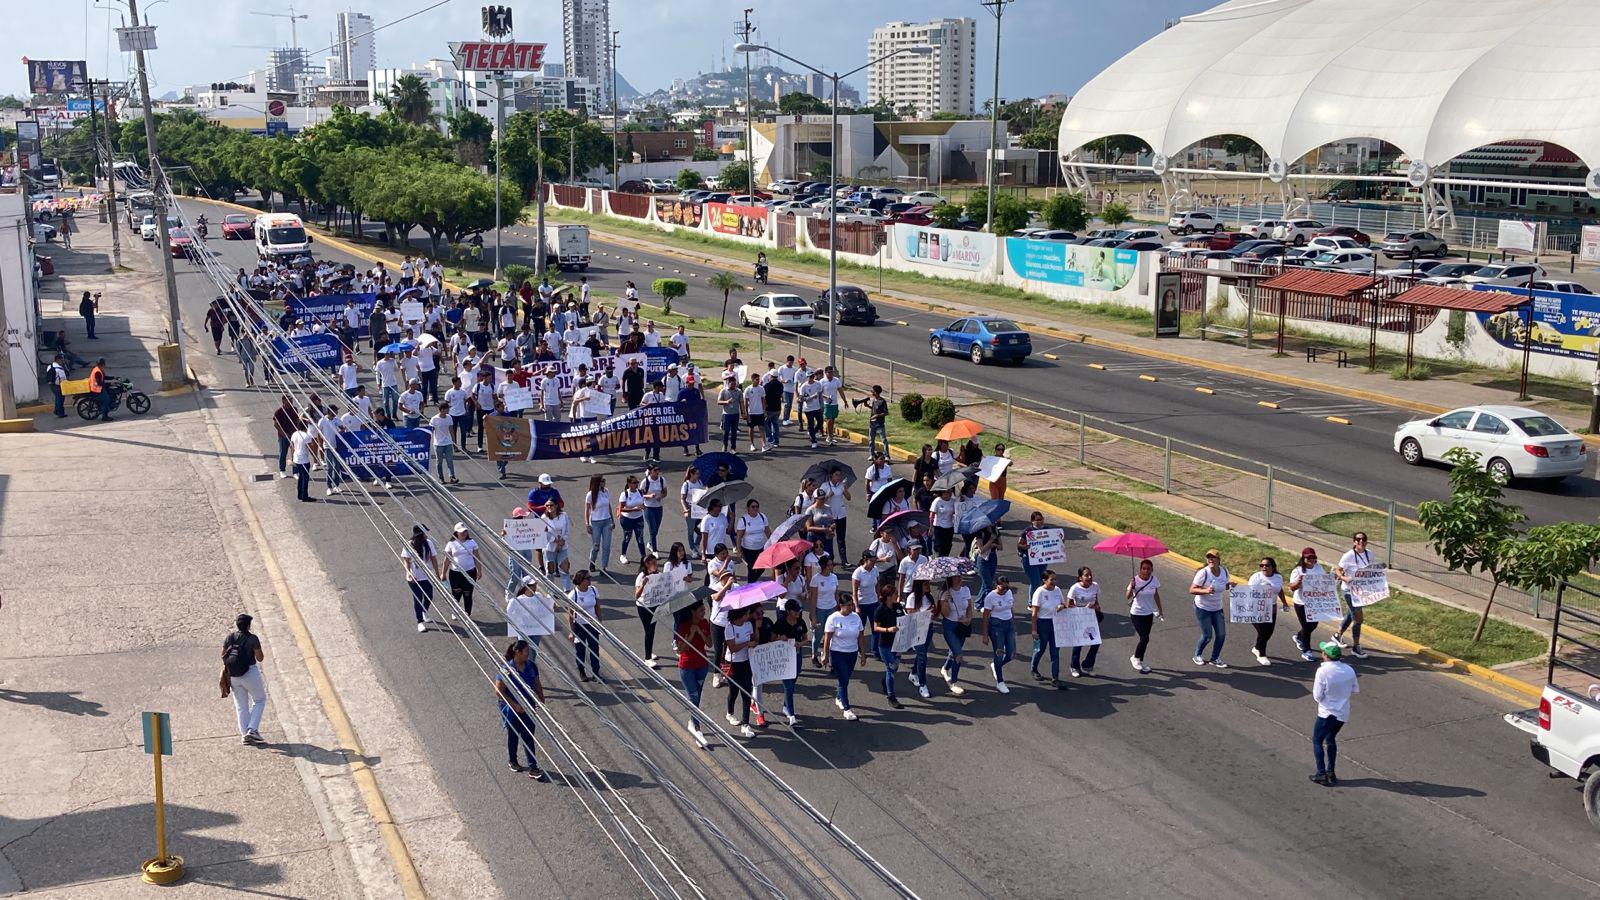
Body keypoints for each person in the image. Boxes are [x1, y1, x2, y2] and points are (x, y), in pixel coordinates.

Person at [495, 639, 546, 780]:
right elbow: (499, 692)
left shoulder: (531, 666)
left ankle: (533, 767)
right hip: (512, 708)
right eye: (526, 652)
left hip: (528, 707)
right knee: (513, 734)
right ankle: (513, 760)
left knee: (528, 735)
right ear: (517, 652)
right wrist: (514, 705)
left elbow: (537, 683)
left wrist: (541, 698)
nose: (528, 655)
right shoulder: (506, 669)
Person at [1310, 640, 1359, 786]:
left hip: (1327, 712)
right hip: (1342, 713)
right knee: (1331, 738)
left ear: (1325, 655)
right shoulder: (1349, 669)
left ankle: (1321, 773)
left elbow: (1317, 696)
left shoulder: (1323, 671)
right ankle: (1331, 771)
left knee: (1317, 740)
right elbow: (1355, 689)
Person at [221, 614, 267, 744]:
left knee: (241, 706)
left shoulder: (230, 637)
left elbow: (223, 655)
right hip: (250, 672)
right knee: (259, 700)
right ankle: (252, 730)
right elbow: (260, 658)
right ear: (248, 625)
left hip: (233, 675)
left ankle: (244, 735)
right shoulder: (253, 639)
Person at [674, 602, 713, 746]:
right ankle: (696, 727)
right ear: (693, 612)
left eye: (704, 610)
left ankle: (692, 720)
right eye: (701, 610)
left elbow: (709, 644)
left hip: (702, 665)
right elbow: (680, 649)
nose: (703, 612)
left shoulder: (704, 623)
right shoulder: (683, 626)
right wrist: (691, 633)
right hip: (687, 667)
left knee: (697, 696)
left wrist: (700, 632)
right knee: (693, 697)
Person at [822, 594, 866, 720]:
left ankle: (839, 697)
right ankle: (847, 709)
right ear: (841, 606)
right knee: (843, 680)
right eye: (848, 605)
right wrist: (826, 655)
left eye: (852, 604)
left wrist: (863, 654)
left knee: (846, 678)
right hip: (837, 653)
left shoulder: (856, 617)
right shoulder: (833, 618)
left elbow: (861, 636)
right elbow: (827, 638)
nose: (851, 607)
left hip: (852, 653)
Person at [1334, 532, 1374, 659]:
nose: (1361, 541)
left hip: (1361, 591)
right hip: (1349, 591)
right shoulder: (1349, 556)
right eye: (1358, 539)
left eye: (1363, 539)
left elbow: (1370, 570)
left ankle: (1337, 635)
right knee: (1358, 618)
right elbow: (1338, 570)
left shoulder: (1369, 554)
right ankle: (1356, 647)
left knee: (1351, 615)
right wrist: (1343, 577)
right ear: (1354, 542)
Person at [770, 599, 809, 725]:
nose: (798, 613)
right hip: (784, 659)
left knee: (793, 681)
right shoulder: (780, 623)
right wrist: (779, 638)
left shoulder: (801, 622)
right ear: (788, 611)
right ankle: (792, 715)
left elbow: (805, 638)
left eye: (799, 610)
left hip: (796, 657)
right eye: (795, 610)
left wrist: (800, 644)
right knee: (789, 686)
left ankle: (786, 706)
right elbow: (772, 638)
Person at [1190, 550, 1230, 668]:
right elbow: (1192, 589)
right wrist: (1205, 591)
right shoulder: (1203, 573)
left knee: (1221, 634)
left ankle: (1215, 658)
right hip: (1203, 608)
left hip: (1217, 608)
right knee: (1207, 636)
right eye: (1209, 558)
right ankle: (1197, 655)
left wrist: (1230, 585)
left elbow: (1224, 586)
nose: (1211, 560)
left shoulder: (1224, 571)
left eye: (1213, 558)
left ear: (1219, 560)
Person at [723, 606, 758, 739]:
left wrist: (757, 629)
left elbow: (755, 639)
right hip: (733, 664)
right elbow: (732, 648)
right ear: (740, 615)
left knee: (746, 692)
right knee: (733, 691)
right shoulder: (729, 628)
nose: (749, 615)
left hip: (746, 662)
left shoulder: (749, 624)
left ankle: (745, 723)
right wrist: (746, 644)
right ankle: (730, 712)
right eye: (747, 613)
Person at [1250, 557, 1291, 666]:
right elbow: (1249, 592)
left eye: (1267, 565)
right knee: (1262, 632)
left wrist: (1285, 603)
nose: (1264, 567)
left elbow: (1279, 590)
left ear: (1273, 567)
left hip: (1271, 609)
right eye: (1262, 565)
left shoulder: (1278, 577)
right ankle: (1261, 655)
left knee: (1268, 633)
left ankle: (1257, 648)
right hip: (1257, 609)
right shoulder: (1256, 577)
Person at [937, 573, 974, 695]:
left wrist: (969, 618)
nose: (959, 579)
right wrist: (945, 602)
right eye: (956, 577)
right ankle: (953, 682)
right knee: (958, 654)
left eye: (960, 576)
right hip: (950, 626)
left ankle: (945, 668)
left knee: (953, 652)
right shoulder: (944, 593)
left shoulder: (966, 590)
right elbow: (946, 614)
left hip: (962, 626)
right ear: (950, 579)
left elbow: (969, 606)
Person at [1029, 569, 1066, 688]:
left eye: (1055, 579)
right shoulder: (1039, 592)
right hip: (1043, 623)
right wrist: (1034, 630)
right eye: (1052, 580)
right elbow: (1034, 613)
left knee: (1055, 652)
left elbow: (1063, 603)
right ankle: (1034, 668)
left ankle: (1055, 678)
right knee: (1040, 649)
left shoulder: (1057, 590)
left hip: (1055, 623)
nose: (1054, 582)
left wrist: (1061, 606)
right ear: (1044, 580)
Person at [1288, 548, 1326, 662]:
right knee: (1306, 626)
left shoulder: (1319, 568)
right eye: (1308, 558)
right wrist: (1298, 582)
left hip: (1315, 603)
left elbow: (1324, 581)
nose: (1311, 560)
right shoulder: (1298, 571)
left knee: (1313, 625)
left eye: (1313, 557)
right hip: (1301, 603)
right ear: (1303, 559)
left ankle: (1299, 637)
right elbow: (1291, 587)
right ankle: (1306, 651)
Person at [873, 584, 907, 709]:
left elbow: (904, 619)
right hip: (886, 645)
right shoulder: (880, 610)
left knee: (895, 667)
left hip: (897, 643)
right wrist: (888, 629)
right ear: (888, 596)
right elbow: (876, 627)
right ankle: (891, 697)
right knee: (891, 669)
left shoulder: (898, 606)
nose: (896, 596)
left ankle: (884, 682)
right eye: (894, 594)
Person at [979, 575, 1015, 693]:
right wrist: (985, 634)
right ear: (996, 585)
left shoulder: (1009, 593)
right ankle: (1000, 681)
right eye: (1002, 588)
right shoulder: (991, 597)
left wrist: (1013, 622)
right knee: (999, 652)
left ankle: (996, 665)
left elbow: (1011, 608)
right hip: (996, 626)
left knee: (1011, 653)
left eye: (1006, 587)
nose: (1004, 590)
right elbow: (985, 616)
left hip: (1008, 625)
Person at [1127, 559, 1163, 674]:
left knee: (1145, 639)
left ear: (1152, 570)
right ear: (1140, 569)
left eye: (1148, 569)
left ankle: (1141, 661)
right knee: (1144, 638)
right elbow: (1127, 596)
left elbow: (1156, 595)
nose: (1146, 571)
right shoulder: (1135, 580)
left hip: (1148, 614)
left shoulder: (1154, 580)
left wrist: (1160, 610)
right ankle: (1135, 657)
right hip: (1137, 614)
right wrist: (1132, 587)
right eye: (1144, 568)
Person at [1066, 567, 1103, 677]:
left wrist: (1097, 606)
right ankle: (1074, 666)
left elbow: (1095, 599)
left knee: (1095, 642)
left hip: (1092, 618)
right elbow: (1069, 605)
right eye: (1086, 575)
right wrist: (1084, 608)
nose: (1090, 577)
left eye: (1090, 574)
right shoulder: (1075, 588)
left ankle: (1087, 665)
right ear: (1080, 578)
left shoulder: (1095, 586)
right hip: (1079, 618)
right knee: (1079, 643)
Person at [904, 578, 936, 698]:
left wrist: (934, 612)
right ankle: (923, 685)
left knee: (921, 654)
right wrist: (927, 612)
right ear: (920, 585)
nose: (928, 586)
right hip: (917, 631)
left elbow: (934, 615)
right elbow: (911, 616)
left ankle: (913, 673)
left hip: (928, 629)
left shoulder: (929, 597)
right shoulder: (912, 598)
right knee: (923, 656)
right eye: (926, 584)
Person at [401, 525, 437, 633]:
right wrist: (408, 573)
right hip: (414, 578)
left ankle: (424, 611)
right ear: (419, 535)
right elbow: (406, 561)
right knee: (417, 599)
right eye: (424, 533)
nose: (426, 535)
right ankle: (420, 622)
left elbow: (433, 559)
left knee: (429, 596)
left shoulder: (429, 543)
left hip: (427, 577)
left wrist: (438, 573)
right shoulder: (409, 545)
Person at [441, 523, 480, 620]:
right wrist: (443, 573)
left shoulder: (472, 542)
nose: (464, 533)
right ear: (456, 533)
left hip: (470, 572)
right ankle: (455, 611)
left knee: (468, 593)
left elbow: (477, 558)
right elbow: (447, 560)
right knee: (456, 593)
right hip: (455, 574)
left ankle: (467, 612)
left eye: (465, 531)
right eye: (461, 532)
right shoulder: (451, 544)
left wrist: (479, 570)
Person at [568, 570, 602, 681]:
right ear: (581, 581)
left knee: (594, 649)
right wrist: (572, 631)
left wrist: (599, 623)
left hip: (592, 624)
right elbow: (570, 615)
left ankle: (596, 673)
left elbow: (597, 607)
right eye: (587, 578)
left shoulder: (593, 590)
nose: (590, 580)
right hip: (579, 626)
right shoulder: (574, 594)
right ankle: (582, 672)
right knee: (580, 650)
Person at [583, 474, 614, 573]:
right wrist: (587, 524)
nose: (604, 482)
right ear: (597, 482)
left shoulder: (606, 491)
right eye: (602, 481)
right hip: (596, 522)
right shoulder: (590, 494)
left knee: (606, 546)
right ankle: (592, 562)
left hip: (607, 521)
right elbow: (587, 510)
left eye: (604, 481)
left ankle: (604, 567)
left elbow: (609, 507)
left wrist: (612, 520)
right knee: (596, 545)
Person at [617, 475, 647, 565]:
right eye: (634, 483)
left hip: (638, 518)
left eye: (637, 482)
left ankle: (644, 557)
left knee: (640, 538)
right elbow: (621, 509)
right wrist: (634, 509)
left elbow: (642, 503)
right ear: (629, 484)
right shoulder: (624, 494)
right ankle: (623, 555)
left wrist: (643, 507)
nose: (636, 484)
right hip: (627, 519)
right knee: (627, 537)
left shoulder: (640, 492)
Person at [735, 499, 769, 579]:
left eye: (757, 506)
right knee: (751, 569)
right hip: (748, 549)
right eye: (753, 507)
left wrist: (773, 542)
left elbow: (767, 531)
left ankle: (752, 582)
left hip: (760, 548)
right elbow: (739, 537)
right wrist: (739, 551)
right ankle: (751, 584)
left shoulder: (762, 517)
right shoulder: (743, 520)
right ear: (748, 508)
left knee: (761, 568)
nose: (755, 508)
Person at [681, 465, 707, 558]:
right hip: (690, 509)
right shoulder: (686, 484)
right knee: (691, 531)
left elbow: (702, 493)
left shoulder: (699, 482)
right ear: (691, 474)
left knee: (701, 529)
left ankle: (696, 544)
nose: (698, 475)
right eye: (697, 474)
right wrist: (685, 510)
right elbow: (682, 499)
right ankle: (693, 549)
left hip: (699, 509)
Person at [641, 462, 667, 553]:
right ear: (650, 471)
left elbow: (665, 492)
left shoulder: (662, 480)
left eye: (658, 470)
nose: (657, 472)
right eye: (655, 470)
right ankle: (655, 550)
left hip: (659, 507)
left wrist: (661, 496)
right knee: (653, 528)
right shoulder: (645, 482)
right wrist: (649, 496)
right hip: (649, 507)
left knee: (657, 527)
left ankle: (650, 542)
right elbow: (641, 494)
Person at [429, 403, 458, 483]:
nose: (448, 410)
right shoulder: (434, 419)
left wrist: (454, 442)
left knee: (450, 460)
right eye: (447, 409)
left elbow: (451, 430)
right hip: (438, 444)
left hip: (448, 442)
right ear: (442, 410)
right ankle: (441, 477)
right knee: (439, 461)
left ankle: (452, 476)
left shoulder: (449, 417)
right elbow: (431, 430)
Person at [289, 417, 316, 502]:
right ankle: (305, 496)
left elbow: (291, 446)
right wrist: (315, 458)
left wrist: (292, 457)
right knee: (305, 478)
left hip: (297, 458)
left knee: (301, 477)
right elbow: (310, 448)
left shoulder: (294, 434)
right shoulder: (306, 436)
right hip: (304, 459)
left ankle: (300, 494)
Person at [861, 385, 889, 458]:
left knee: (884, 440)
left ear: (876, 392)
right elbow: (874, 409)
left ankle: (887, 455)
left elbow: (886, 412)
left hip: (879, 424)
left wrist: (877, 415)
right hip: (872, 424)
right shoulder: (873, 400)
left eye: (873, 391)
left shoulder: (882, 401)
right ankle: (872, 454)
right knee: (871, 440)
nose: (871, 392)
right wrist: (868, 406)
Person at [929, 487, 956, 557]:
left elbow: (957, 512)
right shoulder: (937, 501)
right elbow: (932, 515)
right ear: (942, 492)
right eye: (947, 492)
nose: (949, 493)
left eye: (950, 491)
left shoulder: (953, 501)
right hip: (939, 528)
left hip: (949, 527)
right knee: (939, 548)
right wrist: (931, 528)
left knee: (948, 547)